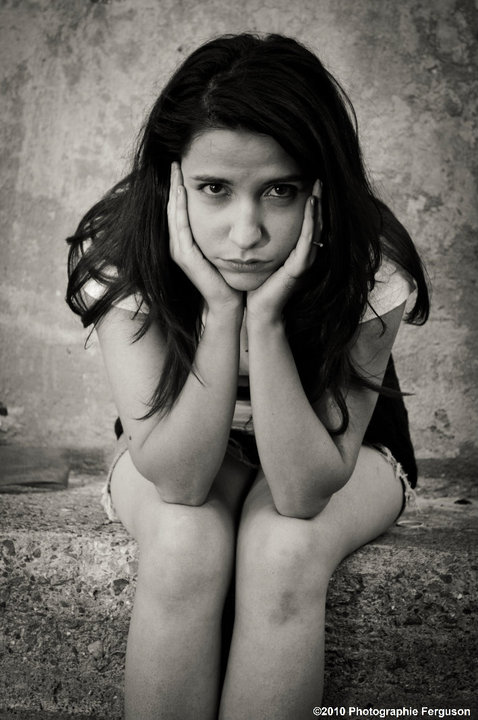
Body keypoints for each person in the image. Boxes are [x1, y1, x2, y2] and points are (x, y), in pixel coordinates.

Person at [66, 32, 429, 720]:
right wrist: (216, 312)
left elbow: (300, 492)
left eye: (281, 191)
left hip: (341, 454)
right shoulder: (121, 250)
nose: (246, 232)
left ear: (322, 188)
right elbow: (179, 479)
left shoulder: (370, 261)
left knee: (286, 549)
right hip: (179, 437)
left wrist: (263, 322)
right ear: (170, 182)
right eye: (213, 189)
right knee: (181, 542)